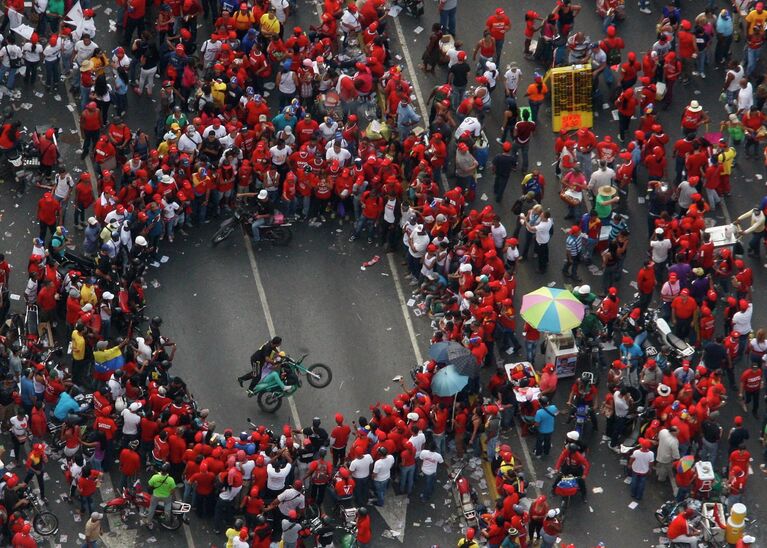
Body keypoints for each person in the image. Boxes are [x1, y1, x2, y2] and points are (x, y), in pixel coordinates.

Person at [144, 463, 176, 528]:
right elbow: (173, 491)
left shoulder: (155, 477)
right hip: (166, 496)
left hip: (156, 496)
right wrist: (169, 494)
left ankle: (148, 521)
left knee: (152, 508)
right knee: (167, 506)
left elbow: (150, 485)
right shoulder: (171, 480)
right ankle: (167, 518)